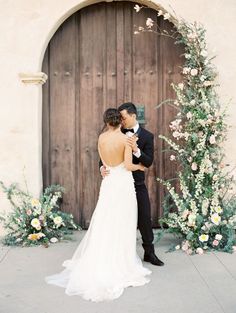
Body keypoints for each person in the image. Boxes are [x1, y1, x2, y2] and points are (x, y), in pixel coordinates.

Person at [45, 108, 152, 302]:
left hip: (109, 183)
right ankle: (122, 262)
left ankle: (101, 257)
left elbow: (104, 162)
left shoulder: (101, 138)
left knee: (105, 219)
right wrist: (140, 166)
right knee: (123, 221)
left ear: (106, 122)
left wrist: (105, 168)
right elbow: (128, 165)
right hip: (123, 184)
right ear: (120, 121)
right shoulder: (126, 139)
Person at [100, 102, 164, 266]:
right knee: (117, 219)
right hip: (119, 184)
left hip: (138, 184)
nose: (121, 120)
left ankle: (149, 253)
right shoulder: (116, 133)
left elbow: (148, 162)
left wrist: (136, 149)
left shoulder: (147, 136)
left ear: (134, 116)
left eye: (124, 117)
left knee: (144, 218)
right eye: (120, 117)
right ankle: (118, 255)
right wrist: (102, 167)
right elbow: (103, 157)